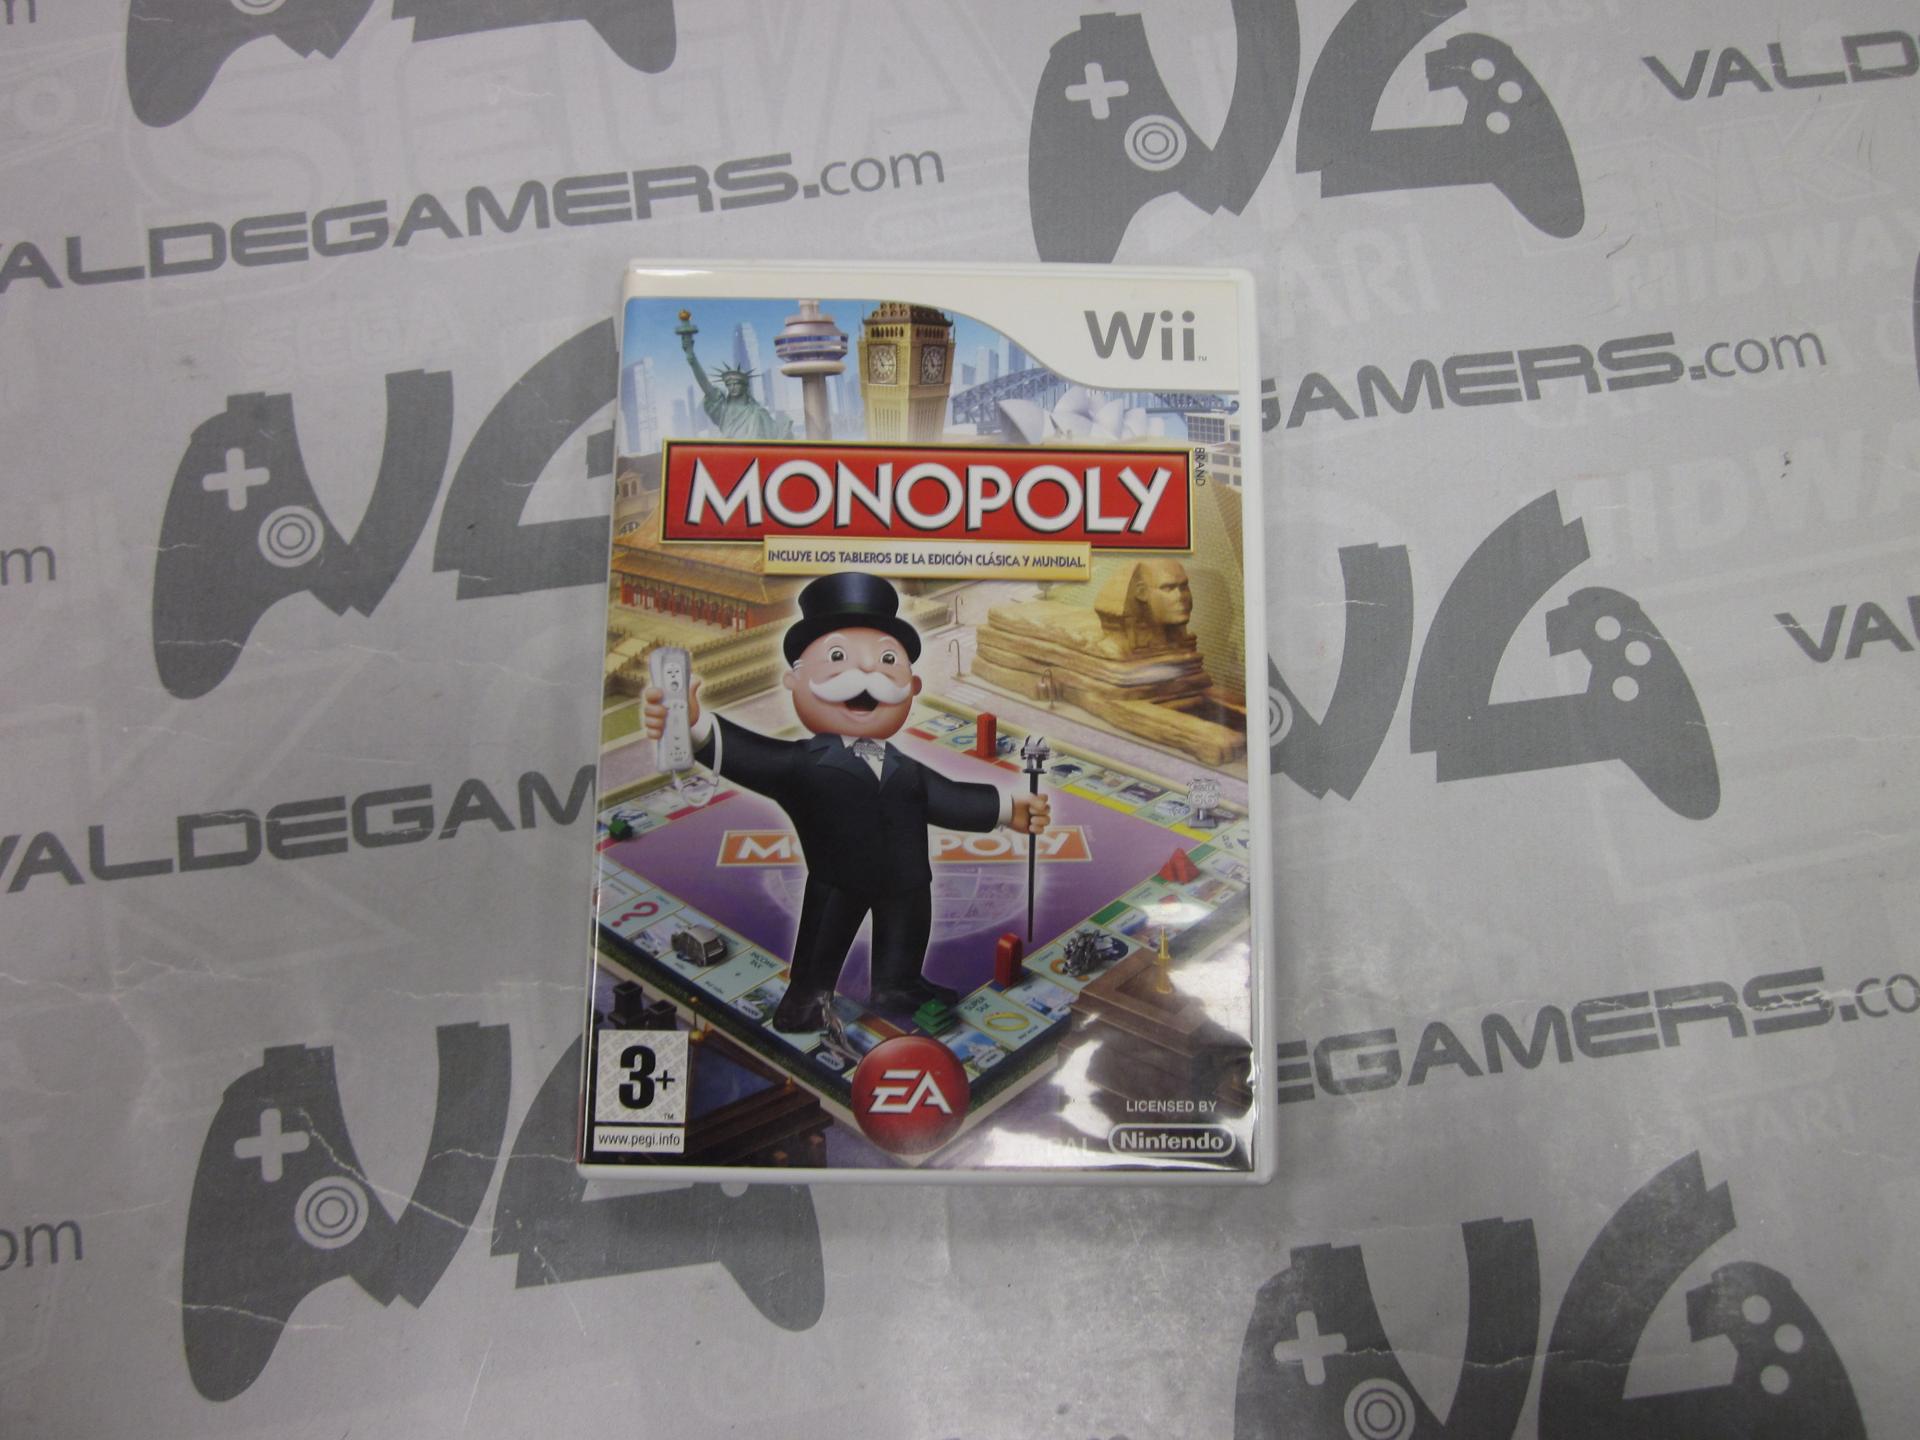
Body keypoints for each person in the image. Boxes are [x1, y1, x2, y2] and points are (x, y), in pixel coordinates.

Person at [641, 572, 1049, 1032]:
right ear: (794, 680)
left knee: (906, 936)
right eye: (838, 657)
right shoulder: (802, 764)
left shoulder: (903, 767)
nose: (868, 676)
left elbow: (946, 797)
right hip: (839, 881)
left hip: (907, 879)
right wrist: (694, 727)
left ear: (913, 686)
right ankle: (806, 1001)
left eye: (888, 661)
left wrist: (1006, 809)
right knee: (821, 947)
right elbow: (749, 755)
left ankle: (899, 985)